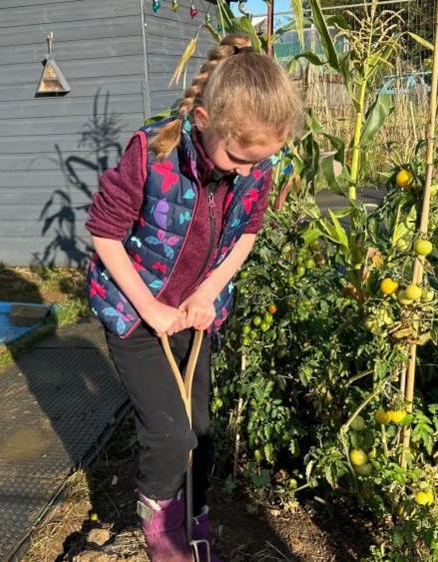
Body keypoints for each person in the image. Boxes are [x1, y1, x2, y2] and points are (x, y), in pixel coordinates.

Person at [85, 33, 302, 561]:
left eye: (261, 161)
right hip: (136, 314)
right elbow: (104, 233)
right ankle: (159, 527)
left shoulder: (256, 165)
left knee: (199, 430)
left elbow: (247, 231)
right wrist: (149, 307)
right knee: (168, 434)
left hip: (196, 314)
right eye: (237, 158)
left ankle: (193, 512)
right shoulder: (151, 152)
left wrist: (208, 291)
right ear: (204, 121)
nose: (248, 172)